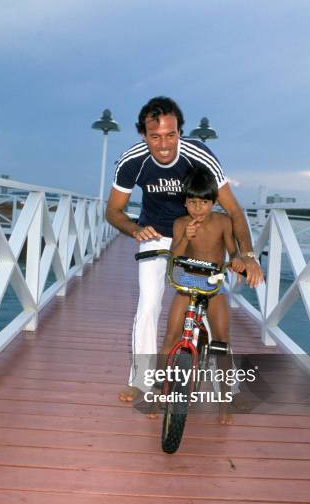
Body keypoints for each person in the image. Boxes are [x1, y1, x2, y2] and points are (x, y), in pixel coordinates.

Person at [105, 96, 263, 402]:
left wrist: (247, 256)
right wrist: (135, 229)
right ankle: (140, 380)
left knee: (207, 309)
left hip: (195, 236)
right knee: (149, 304)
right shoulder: (132, 161)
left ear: (180, 131)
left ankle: (220, 381)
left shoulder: (199, 154)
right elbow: (113, 212)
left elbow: (234, 211)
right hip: (154, 235)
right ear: (142, 135)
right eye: (155, 137)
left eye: (171, 135)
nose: (164, 145)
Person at [159, 165, 247, 424]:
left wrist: (238, 262)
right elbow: (175, 255)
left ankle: (225, 402)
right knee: (170, 337)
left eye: (204, 202)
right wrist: (185, 237)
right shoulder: (180, 223)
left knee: (222, 341)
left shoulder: (223, 222)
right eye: (193, 202)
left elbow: (232, 251)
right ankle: (159, 392)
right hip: (187, 282)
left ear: (213, 202)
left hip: (214, 285)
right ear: (185, 202)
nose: (198, 208)